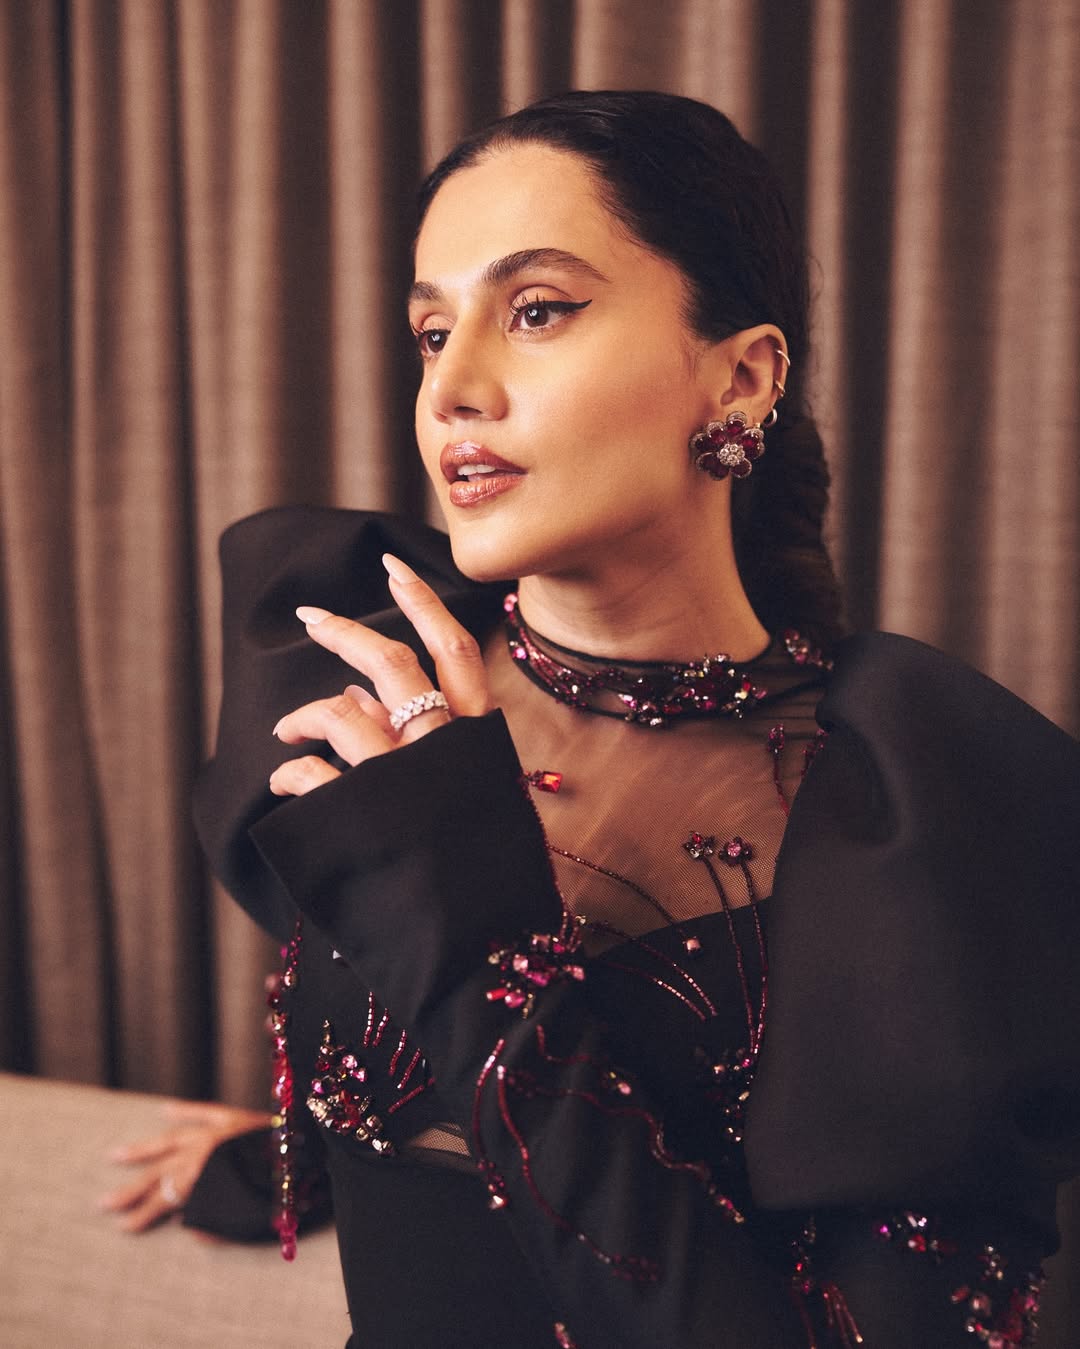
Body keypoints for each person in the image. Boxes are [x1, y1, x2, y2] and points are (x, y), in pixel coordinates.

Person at [136, 92, 1080, 1346]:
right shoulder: (371, 668)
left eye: (536, 310)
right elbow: (427, 1101)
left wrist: (469, 940)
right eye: (431, 331)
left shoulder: (910, 813)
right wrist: (296, 1152)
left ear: (740, 376)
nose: (452, 388)